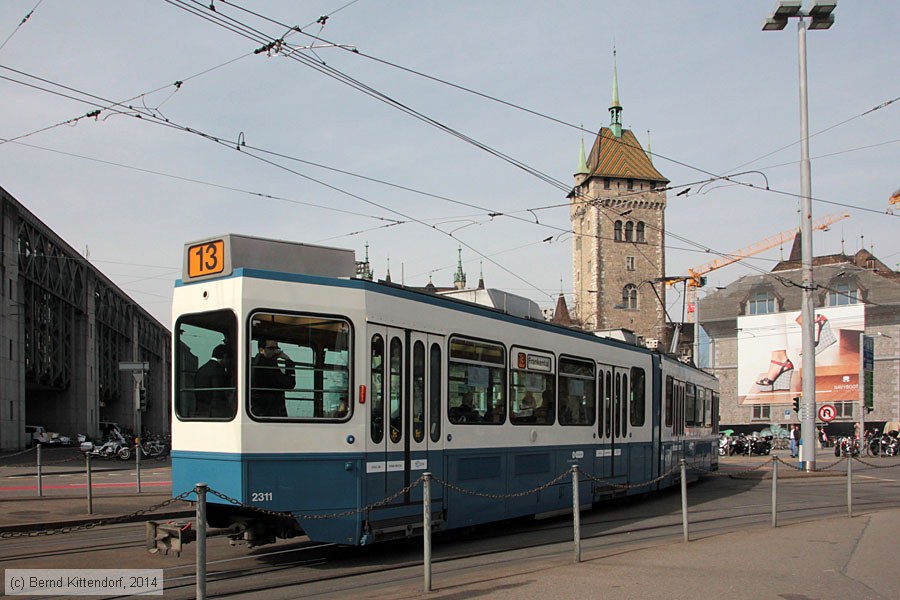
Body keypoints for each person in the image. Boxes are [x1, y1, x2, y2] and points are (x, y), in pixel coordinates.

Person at [251, 339, 295, 417]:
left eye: (276, 348)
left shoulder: (255, 362)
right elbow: (289, 384)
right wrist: (288, 361)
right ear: (261, 350)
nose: (275, 351)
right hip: (271, 411)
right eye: (271, 348)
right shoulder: (268, 365)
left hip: (259, 410)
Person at [194, 344, 234, 418]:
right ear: (225, 356)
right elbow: (218, 395)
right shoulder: (219, 370)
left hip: (200, 411)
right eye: (229, 360)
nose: (229, 363)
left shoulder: (201, 369)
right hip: (215, 413)